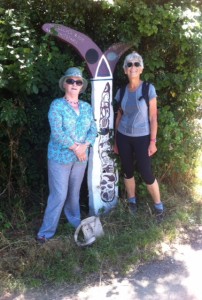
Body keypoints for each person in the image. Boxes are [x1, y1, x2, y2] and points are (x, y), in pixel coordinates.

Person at [36, 67, 97, 243]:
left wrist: (85, 145)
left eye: (78, 82)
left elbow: (93, 129)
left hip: (80, 158)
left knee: (74, 193)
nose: (74, 84)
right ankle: (46, 231)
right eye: (70, 81)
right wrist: (76, 148)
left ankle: (74, 221)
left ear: (82, 86)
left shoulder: (86, 107)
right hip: (60, 157)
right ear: (64, 84)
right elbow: (57, 132)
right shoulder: (57, 105)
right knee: (59, 194)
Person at [114, 51, 164, 221]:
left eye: (136, 64)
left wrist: (153, 141)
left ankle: (158, 207)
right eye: (129, 64)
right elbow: (119, 116)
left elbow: (153, 117)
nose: (133, 67)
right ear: (125, 70)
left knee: (146, 172)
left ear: (141, 69)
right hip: (123, 137)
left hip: (143, 137)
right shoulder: (121, 91)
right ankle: (132, 202)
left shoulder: (148, 88)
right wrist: (116, 141)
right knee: (128, 171)